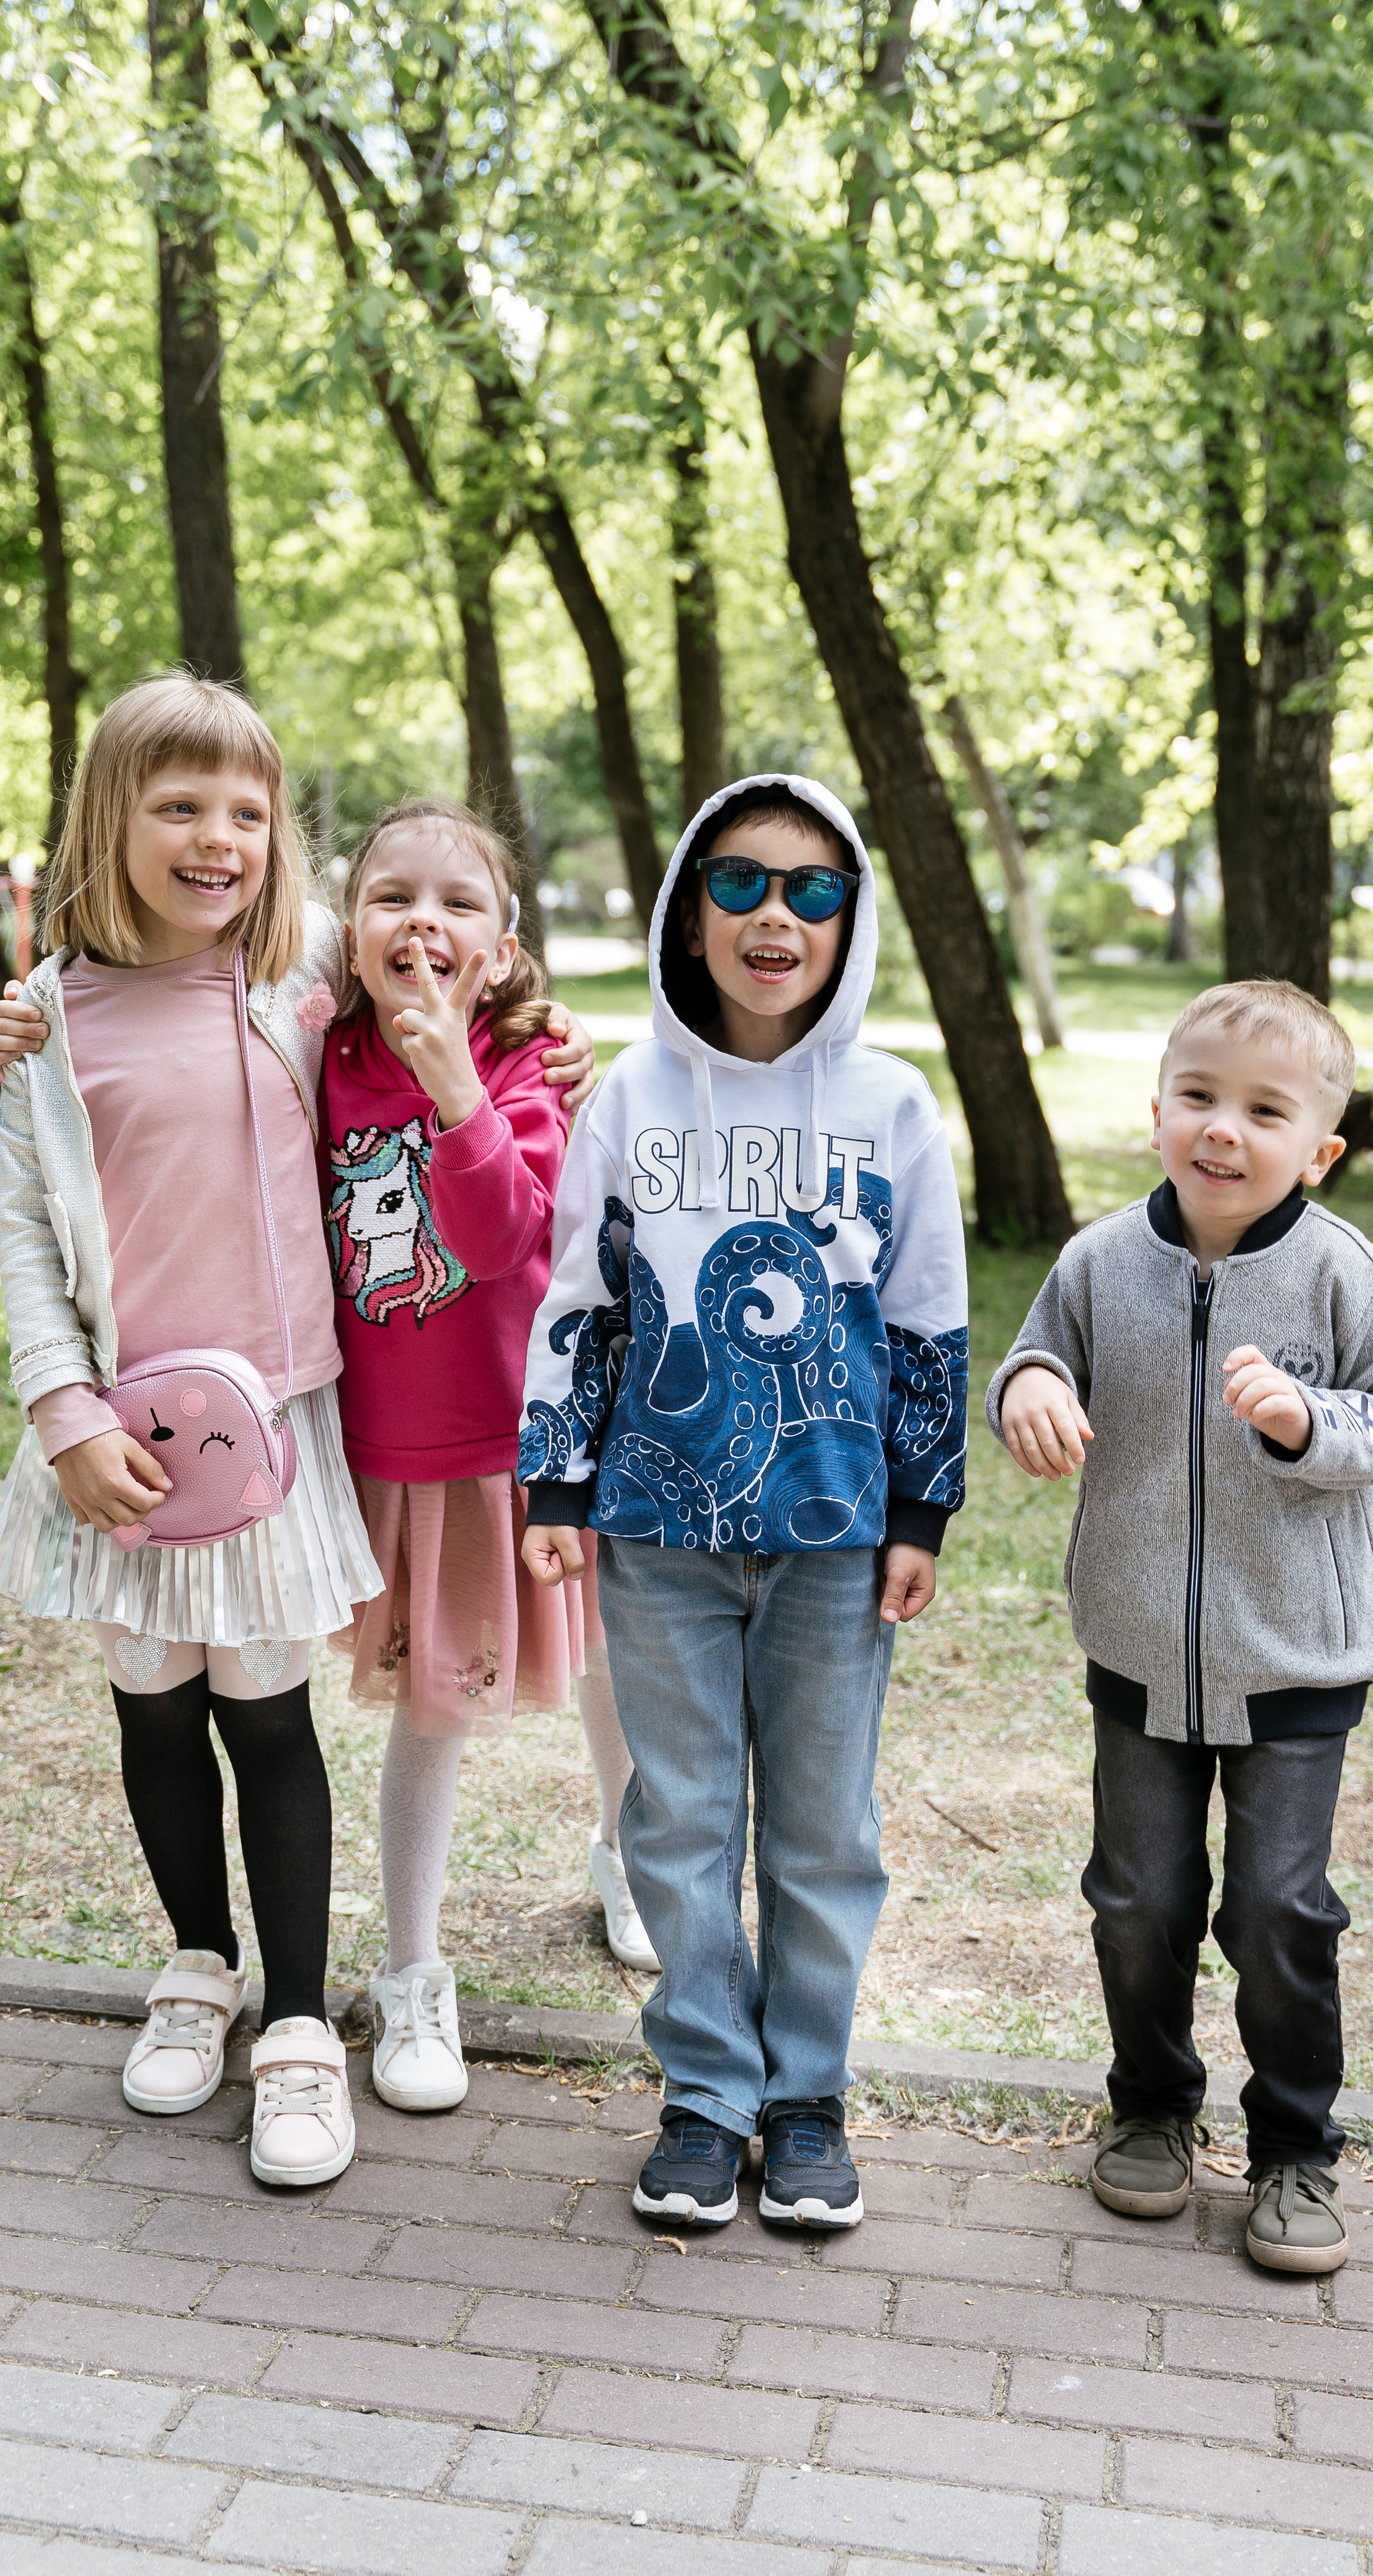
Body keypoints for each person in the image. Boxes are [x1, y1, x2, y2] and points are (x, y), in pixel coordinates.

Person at [518, 775, 968, 2232]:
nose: (775, 914)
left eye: (813, 891)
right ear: (687, 913)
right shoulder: (633, 1097)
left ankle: (808, 2097)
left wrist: (923, 1509)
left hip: (837, 1538)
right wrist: (557, 1476)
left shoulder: (893, 1104)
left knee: (825, 1831)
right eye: (740, 884)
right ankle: (708, 2096)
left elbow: (927, 1318)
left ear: (851, 921)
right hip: (658, 1532)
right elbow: (581, 1293)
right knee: (683, 1823)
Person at [0, 675, 381, 2188]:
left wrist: (523, 1011)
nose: (218, 838)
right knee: (153, 1707)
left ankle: (293, 2032)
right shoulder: (52, 1024)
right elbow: (25, 1232)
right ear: (112, 820)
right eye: (179, 807)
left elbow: (442, 956)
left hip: (266, 1438)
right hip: (117, 1444)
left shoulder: (301, 980)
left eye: (247, 812)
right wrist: (61, 1410)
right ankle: (197, 1967)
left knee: (264, 1716)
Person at [990, 979, 1373, 2275]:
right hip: (1139, 1647)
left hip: (1296, 1655)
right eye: (1199, 1098)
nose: (1224, 1131)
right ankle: (1148, 2112)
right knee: (1139, 1900)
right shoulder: (1099, 1261)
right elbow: (1037, 1357)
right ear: (1156, 1114)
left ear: (1320, 1149)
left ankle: (1296, 2149)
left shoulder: (1348, 1275)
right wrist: (1027, 1388)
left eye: (1264, 1111)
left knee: (1277, 1908)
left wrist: (1309, 1424)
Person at [320, 798, 658, 2119]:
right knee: (434, 1706)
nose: (423, 922)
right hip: (406, 1457)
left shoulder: (528, 1073)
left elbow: (514, 1233)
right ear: (350, 934)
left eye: (459, 903)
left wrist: (457, 1078)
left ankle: (626, 1853)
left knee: (605, 1661)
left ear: (505, 948)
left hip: (539, 1439)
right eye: (392, 897)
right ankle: (411, 1971)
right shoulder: (321, 1049)